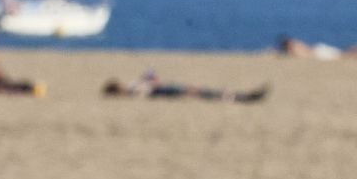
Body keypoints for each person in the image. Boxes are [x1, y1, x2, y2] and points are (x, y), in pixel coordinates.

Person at [102, 71, 269, 103]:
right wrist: (148, 85)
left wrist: (150, 79)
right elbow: (144, 93)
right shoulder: (131, 92)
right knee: (199, 92)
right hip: (161, 92)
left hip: (162, 88)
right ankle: (239, 97)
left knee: (200, 90)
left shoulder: (132, 86)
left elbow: (149, 79)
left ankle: (240, 96)